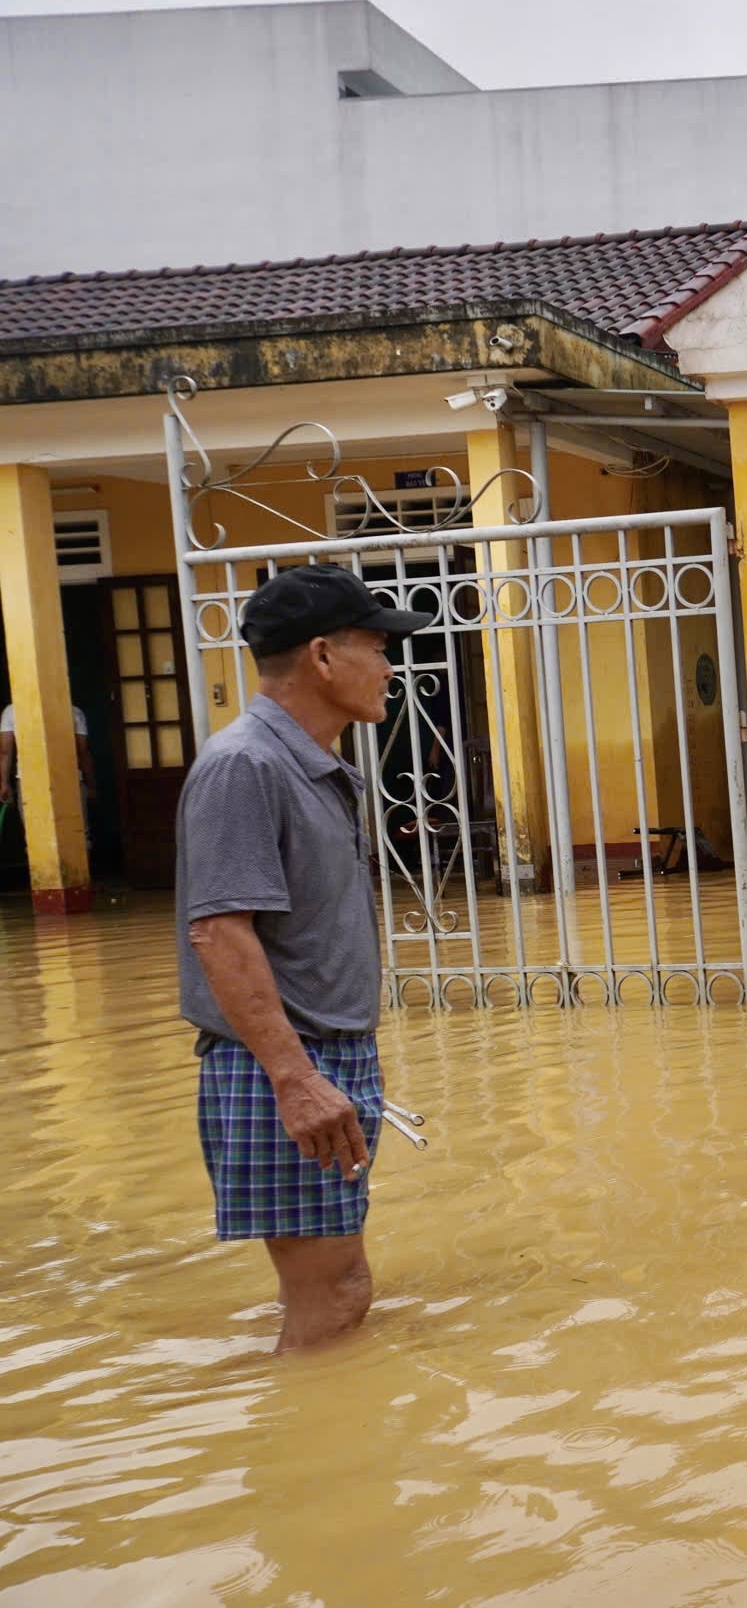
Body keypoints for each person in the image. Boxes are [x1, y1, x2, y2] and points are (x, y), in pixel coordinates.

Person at [176, 564, 429, 1352]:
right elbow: (220, 931)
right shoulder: (245, 766)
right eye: (378, 646)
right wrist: (296, 1079)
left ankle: (327, 1449)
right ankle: (308, 1464)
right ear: (323, 657)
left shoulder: (308, 764)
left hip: (321, 1061)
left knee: (337, 1287)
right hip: (285, 1069)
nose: (391, 666)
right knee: (337, 1294)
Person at [0, 700, 96, 813]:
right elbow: (83, 752)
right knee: (76, 829)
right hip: (68, 779)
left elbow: (5, 751)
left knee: (35, 829)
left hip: (29, 781)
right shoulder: (74, 711)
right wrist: (91, 785)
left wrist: (4, 783)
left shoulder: (11, 711)